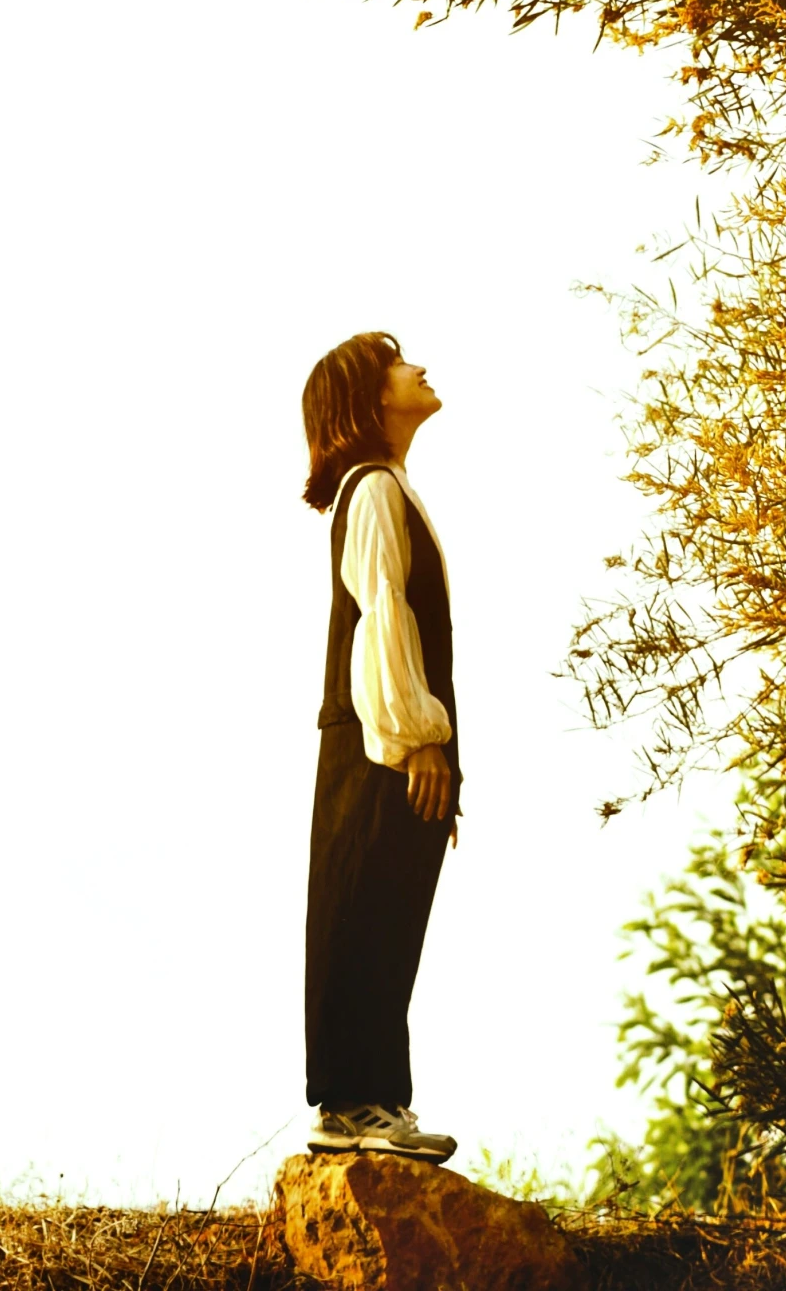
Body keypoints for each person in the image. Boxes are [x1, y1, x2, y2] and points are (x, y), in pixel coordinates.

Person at [300, 331, 460, 1161]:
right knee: (362, 914)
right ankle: (353, 1105)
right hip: (379, 743)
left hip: (390, 744)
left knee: (389, 918)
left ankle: (372, 1103)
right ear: (369, 399)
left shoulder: (387, 489)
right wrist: (418, 741)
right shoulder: (371, 491)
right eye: (399, 362)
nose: (420, 366)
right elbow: (382, 618)